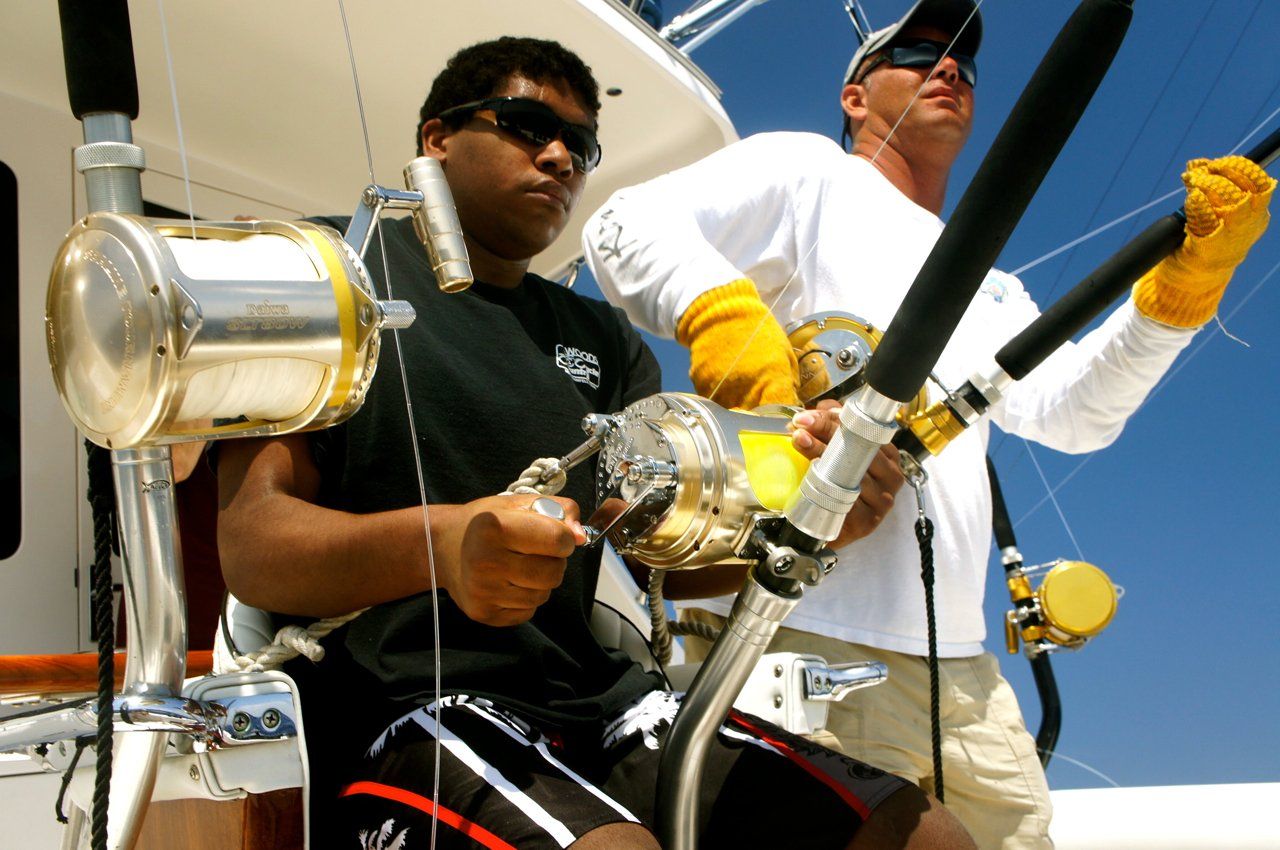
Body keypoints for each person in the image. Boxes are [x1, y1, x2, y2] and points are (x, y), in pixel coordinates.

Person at [217, 36, 974, 850]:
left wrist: (821, 522)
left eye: (579, 146)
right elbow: (254, 546)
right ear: (438, 138)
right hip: (391, 705)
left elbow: (661, 562)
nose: (559, 158)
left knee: (919, 835)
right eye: (525, 125)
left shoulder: (601, 337)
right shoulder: (325, 274)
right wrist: (445, 543)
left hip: (600, 702)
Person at [582, 1, 1275, 847]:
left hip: (964, 674)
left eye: (964, 65)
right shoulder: (809, 172)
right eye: (916, 52)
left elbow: (1074, 414)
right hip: (792, 636)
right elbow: (622, 225)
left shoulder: (990, 286)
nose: (948, 69)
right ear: (854, 97)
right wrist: (736, 335)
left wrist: (1183, 290)